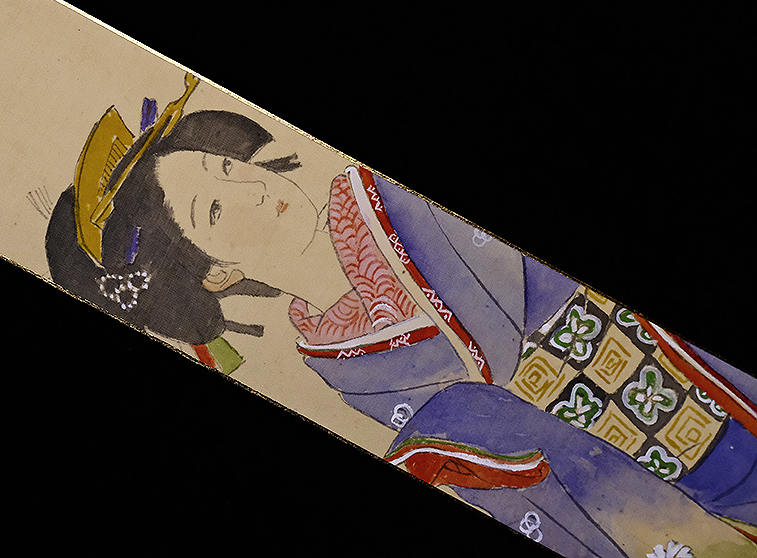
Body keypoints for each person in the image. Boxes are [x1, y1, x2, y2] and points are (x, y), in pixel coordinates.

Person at [46, 75, 757, 556]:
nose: (254, 189)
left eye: (227, 168)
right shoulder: (339, 369)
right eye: (215, 209)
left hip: (690, 378)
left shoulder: (389, 197)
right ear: (217, 272)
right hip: (632, 493)